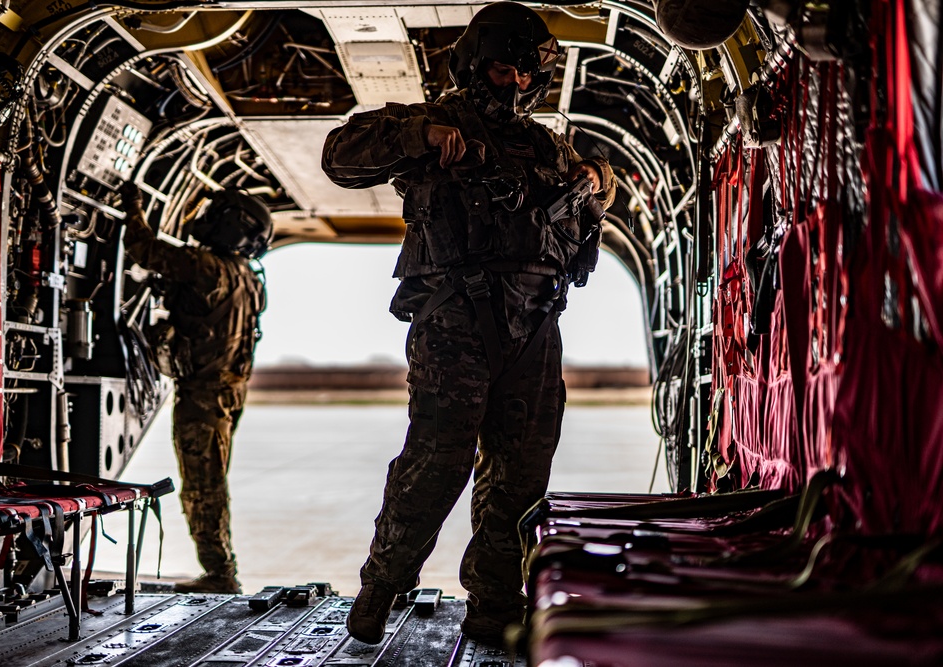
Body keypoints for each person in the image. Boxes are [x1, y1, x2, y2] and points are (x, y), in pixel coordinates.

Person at [321, 1, 617, 646]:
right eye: (505, 69)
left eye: (527, 71)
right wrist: (420, 139)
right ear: (476, 66)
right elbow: (340, 156)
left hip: (537, 322)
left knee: (522, 472)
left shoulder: (545, 144)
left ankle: (495, 603)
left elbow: (599, 188)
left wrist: (600, 178)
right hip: (455, 315)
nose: (516, 82)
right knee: (437, 462)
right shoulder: (431, 121)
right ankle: (382, 583)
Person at [118, 182, 271, 594]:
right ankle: (220, 567)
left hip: (202, 396)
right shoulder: (248, 277)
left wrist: (133, 204)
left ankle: (220, 572)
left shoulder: (205, 266)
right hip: (228, 392)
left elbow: (143, 248)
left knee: (203, 486)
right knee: (211, 479)